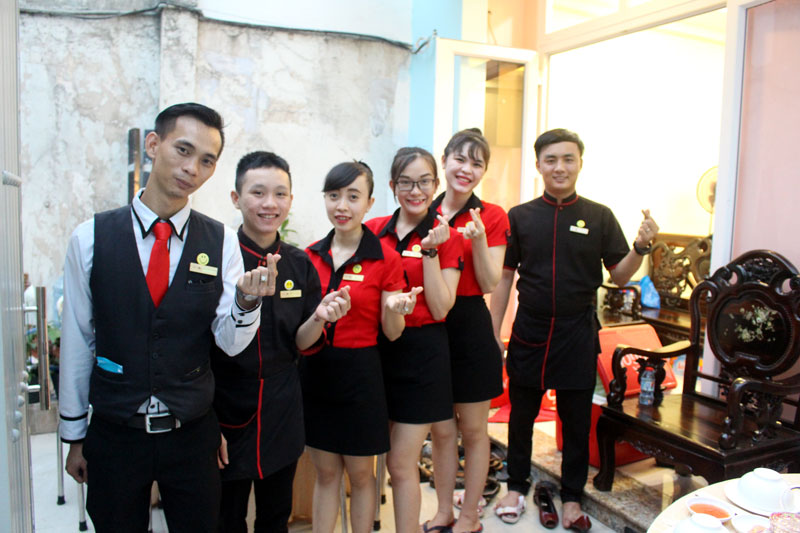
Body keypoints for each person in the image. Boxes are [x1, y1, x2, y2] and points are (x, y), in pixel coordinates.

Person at [59, 103, 277, 533]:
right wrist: (74, 434)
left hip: (191, 432)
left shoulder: (221, 241)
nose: (192, 168)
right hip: (115, 430)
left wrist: (247, 303)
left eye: (207, 160)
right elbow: (79, 340)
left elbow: (229, 341)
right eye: (183, 150)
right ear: (153, 145)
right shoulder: (90, 238)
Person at [490, 128, 659, 531]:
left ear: (580, 163)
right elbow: (504, 278)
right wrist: (493, 333)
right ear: (538, 165)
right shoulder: (521, 216)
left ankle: (571, 497)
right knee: (520, 415)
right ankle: (516, 486)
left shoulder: (599, 216)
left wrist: (641, 247)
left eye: (568, 159)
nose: (560, 167)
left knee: (577, 420)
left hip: (577, 331)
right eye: (551, 159)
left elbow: (620, 276)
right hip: (530, 330)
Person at [212, 151, 352, 532]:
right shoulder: (220, 258)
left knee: (276, 516)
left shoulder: (299, 263)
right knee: (227, 516)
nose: (269, 204)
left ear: (290, 200)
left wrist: (319, 317)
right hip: (227, 405)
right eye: (257, 193)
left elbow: (304, 343)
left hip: (282, 407)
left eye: (279, 194)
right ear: (236, 198)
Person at [302, 161, 423, 533]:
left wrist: (396, 310)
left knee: (360, 475)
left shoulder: (385, 259)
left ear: (369, 203)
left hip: (361, 377)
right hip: (316, 374)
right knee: (325, 473)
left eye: (353, 197)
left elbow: (392, 333)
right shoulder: (308, 256)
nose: (342, 206)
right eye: (334, 195)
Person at [365, 147, 463, 533]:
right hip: (379, 349)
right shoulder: (374, 230)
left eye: (423, 182)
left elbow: (440, 307)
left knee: (401, 461)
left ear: (435, 185)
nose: (415, 191)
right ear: (393, 186)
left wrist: (431, 251)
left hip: (424, 353)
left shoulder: (446, 235)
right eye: (406, 182)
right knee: (380, 451)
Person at [424, 129, 509, 533]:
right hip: (431, 326)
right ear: (445, 161)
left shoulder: (492, 215)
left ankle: (470, 515)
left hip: (471, 326)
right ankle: (444, 510)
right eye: (460, 159)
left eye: (477, 163)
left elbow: (491, 282)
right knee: (442, 432)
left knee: (474, 431)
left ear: (483, 171)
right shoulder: (425, 210)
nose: (466, 169)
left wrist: (477, 240)